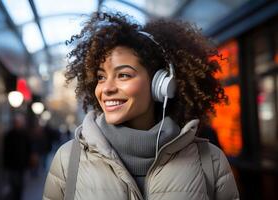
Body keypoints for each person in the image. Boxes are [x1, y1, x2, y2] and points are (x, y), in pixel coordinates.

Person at [43, 12, 239, 200]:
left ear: (161, 84)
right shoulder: (68, 160)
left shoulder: (209, 161)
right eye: (101, 77)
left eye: (123, 75)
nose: (106, 88)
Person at [3, 113, 31, 200]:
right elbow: (6, 150)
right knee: (13, 183)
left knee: (20, 184)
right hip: (12, 164)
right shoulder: (9, 135)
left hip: (22, 164)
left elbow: (28, 149)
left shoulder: (25, 135)